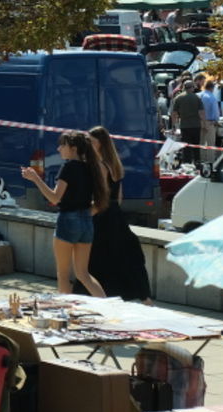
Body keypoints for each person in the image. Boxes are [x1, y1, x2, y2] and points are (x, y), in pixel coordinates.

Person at [21, 131, 108, 297]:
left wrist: (35, 178)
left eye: (63, 145)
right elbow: (100, 200)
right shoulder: (91, 167)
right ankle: (108, 306)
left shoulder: (69, 167)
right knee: (83, 274)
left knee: (63, 275)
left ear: (73, 149)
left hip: (68, 219)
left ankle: (64, 314)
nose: (59, 148)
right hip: (86, 221)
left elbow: (55, 198)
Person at [82, 126, 153, 303]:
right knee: (123, 257)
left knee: (97, 259)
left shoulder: (99, 165)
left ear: (99, 143)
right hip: (115, 215)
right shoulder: (114, 164)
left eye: (91, 141)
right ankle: (141, 296)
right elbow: (118, 197)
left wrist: (87, 214)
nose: (88, 144)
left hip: (102, 217)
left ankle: (100, 297)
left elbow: (102, 197)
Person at [171, 81, 205, 167]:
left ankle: (187, 164)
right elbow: (201, 113)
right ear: (192, 87)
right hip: (196, 125)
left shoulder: (178, 98)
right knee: (196, 146)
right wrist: (204, 124)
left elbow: (174, 113)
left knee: (186, 147)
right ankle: (197, 164)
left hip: (184, 125)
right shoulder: (197, 98)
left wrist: (174, 125)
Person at [199, 80, 221, 163]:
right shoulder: (212, 97)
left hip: (200, 121)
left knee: (201, 143)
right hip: (210, 122)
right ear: (212, 87)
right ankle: (210, 161)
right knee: (210, 143)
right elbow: (215, 111)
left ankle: (202, 160)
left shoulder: (198, 95)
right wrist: (216, 120)